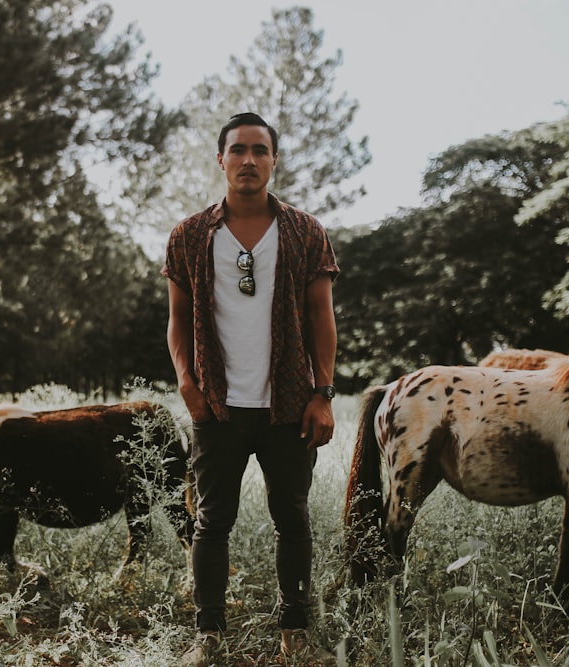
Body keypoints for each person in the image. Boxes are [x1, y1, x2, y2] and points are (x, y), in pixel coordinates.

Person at [163, 112, 339, 666]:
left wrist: (323, 392)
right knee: (212, 521)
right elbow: (178, 317)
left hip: (287, 404)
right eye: (237, 150)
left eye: (259, 151)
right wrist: (187, 383)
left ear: (273, 160)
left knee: (293, 518)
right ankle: (208, 635)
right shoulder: (191, 234)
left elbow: (320, 315)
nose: (248, 160)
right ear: (221, 160)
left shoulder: (305, 231)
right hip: (216, 404)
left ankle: (295, 632)